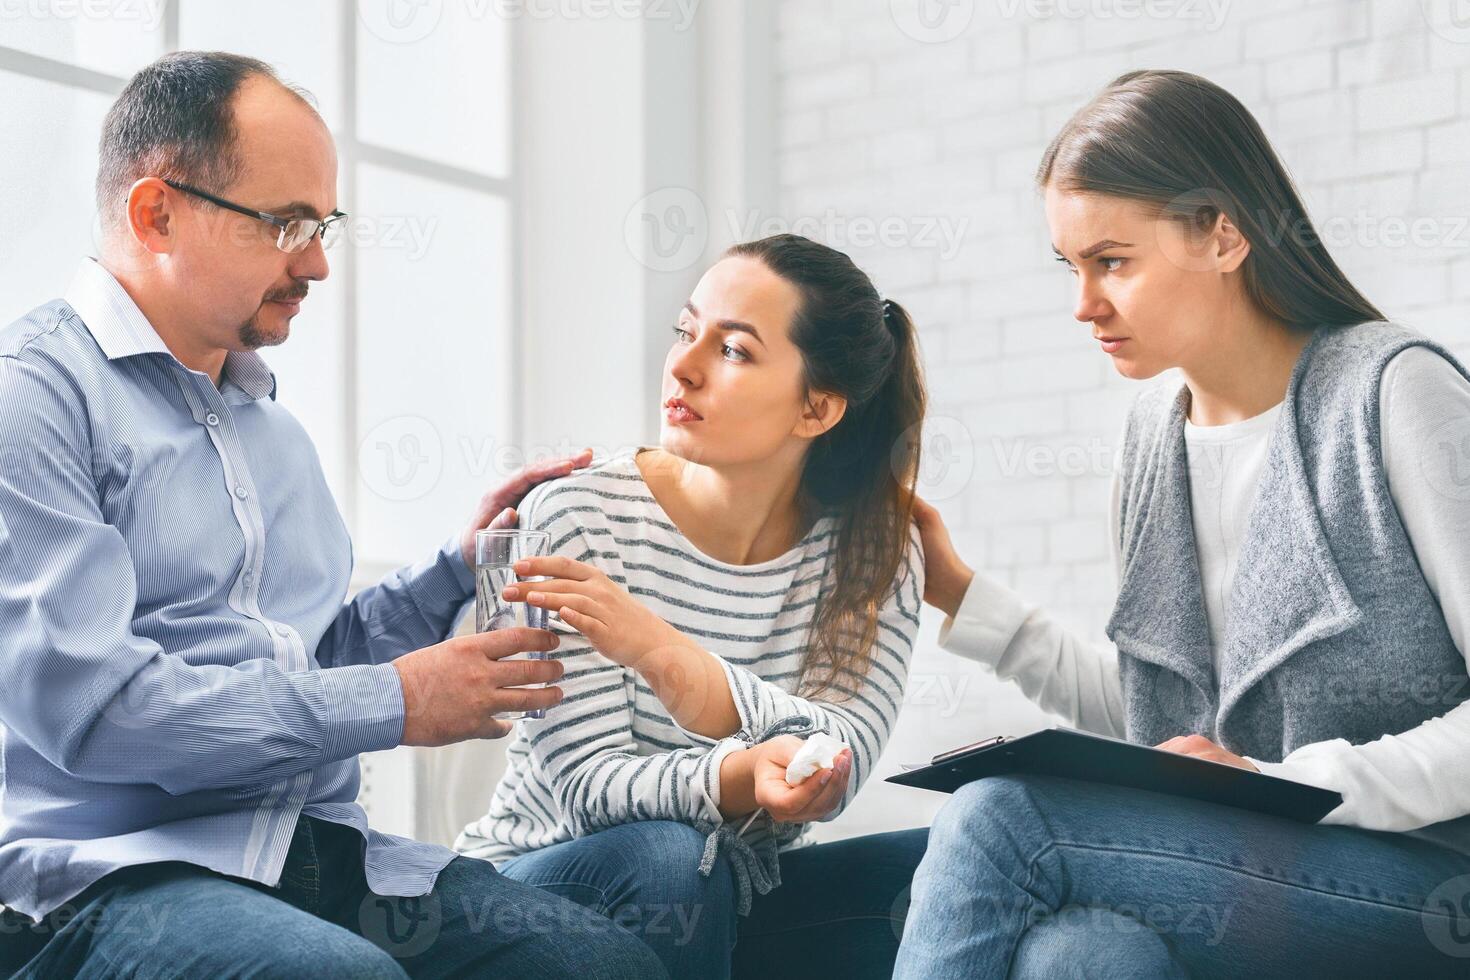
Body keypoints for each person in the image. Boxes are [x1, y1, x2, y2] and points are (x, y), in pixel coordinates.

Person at [0, 51, 664, 980]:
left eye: (323, 226)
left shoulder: (273, 434)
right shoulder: (33, 398)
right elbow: (101, 714)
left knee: (608, 968)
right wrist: (398, 701)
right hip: (112, 880)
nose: (314, 262)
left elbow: (311, 663)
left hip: (315, 854)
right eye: (285, 224)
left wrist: (452, 569)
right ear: (157, 214)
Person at [894, 69, 1470, 977]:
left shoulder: (1397, 394)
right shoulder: (1152, 440)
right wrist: (962, 597)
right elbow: (1173, 721)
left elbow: (1241, 772)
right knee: (1081, 953)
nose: (1083, 305)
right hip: (1250, 866)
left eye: (1112, 261)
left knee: (1000, 815)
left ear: (1225, 234)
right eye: (1072, 268)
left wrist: (1282, 787)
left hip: (1429, 878)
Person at [453, 233, 930, 979]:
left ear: (817, 408)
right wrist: (741, 774)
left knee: (949, 860)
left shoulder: (876, 555)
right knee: (668, 854)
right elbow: (586, 789)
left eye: (733, 351)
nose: (682, 365)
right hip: (534, 884)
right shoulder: (578, 519)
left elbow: (839, 754)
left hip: (733, 899)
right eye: (686, 331)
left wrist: (661, 651)